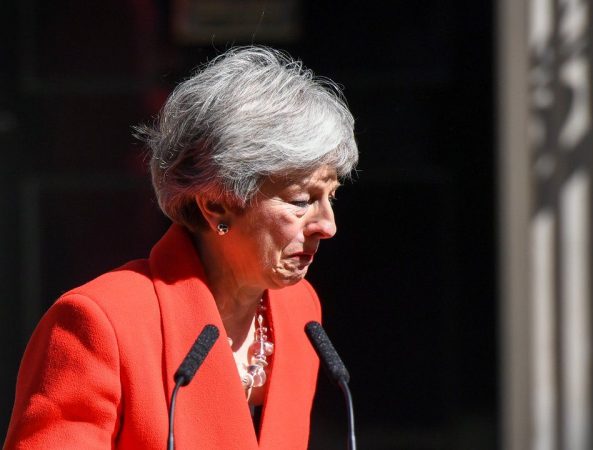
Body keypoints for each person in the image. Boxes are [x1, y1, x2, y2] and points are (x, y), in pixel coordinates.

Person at [4, 47, 358, 450]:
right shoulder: (99, 323)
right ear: (216, 204)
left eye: (331, 196)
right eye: (300, 201)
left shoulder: (299, 309)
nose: (328, 225)